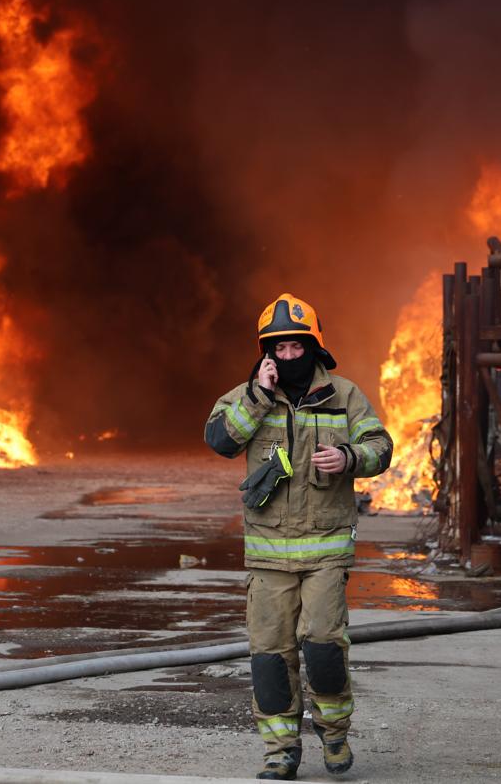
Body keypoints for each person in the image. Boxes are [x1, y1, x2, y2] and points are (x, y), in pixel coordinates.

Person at [205, 293, 393, 781]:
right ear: (266, 353)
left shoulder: (345, 396)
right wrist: (259, 395)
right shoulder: (247, 395)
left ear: (314, 347)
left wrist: (350, 458)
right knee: (270, 655)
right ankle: (280, 751)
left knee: (323, 645)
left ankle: (334, 735)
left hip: (326, 551)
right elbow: (221, 441)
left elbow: (381, 446)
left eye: (296, 347)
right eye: (278, 349)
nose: (289, 357)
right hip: (267, 558)